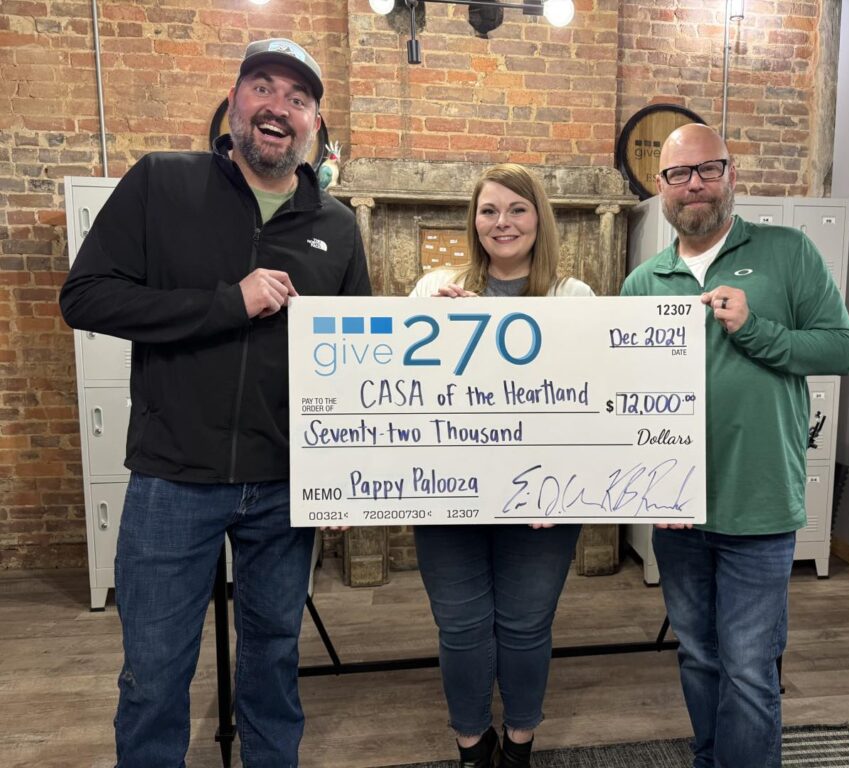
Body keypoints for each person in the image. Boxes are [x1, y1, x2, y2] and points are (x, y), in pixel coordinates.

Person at [60, 38, 371, 767]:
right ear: (234, 102)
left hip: (284, 486)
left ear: (314, 125)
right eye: (263, 88)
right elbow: (86, 297)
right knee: (154, 674)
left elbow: (354, 360)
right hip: (173, 478)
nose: (279, 108)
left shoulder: (336, 225)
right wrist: (228, 302)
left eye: (298, 99)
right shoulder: (161, 183)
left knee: (274, 663)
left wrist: (344, 475)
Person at [621, 124, 849, 768]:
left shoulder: (789, 251)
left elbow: (840, 350)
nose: (694, 183)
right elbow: (624, 394)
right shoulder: (644, 281)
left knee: (750, 667)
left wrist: (755, 328)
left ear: (731, 174)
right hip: (677, 510)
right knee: (699, 655)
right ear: (661, 187)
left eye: (708, 168)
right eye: (678, 174)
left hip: (759, 502)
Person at [409, 163, 592, 768]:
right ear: (474, 221)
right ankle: (471, 745)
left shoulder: (573, 298)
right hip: (449, 494)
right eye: (489, 210)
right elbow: (401, 392)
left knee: (525, 626)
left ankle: (519, 744)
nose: (502, 222)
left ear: (539, 218)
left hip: (543, 503)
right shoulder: (434, 289)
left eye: (517, 209)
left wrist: (565, 485)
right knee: (459, 626)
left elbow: (593, 402)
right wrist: (432, 325)